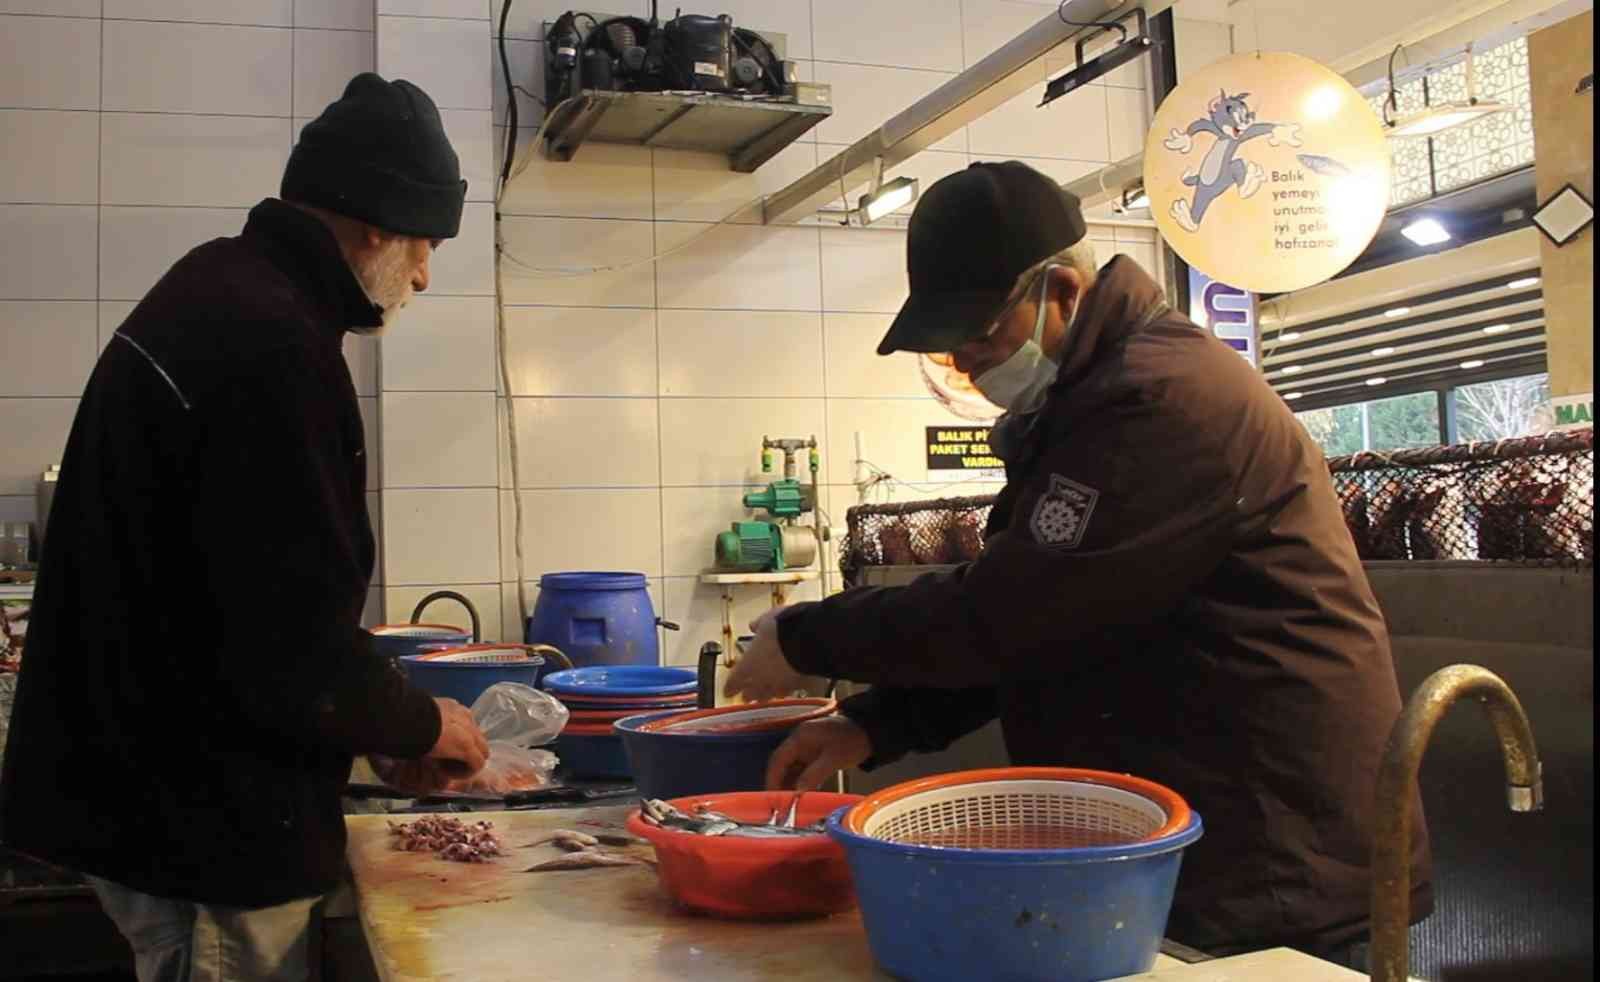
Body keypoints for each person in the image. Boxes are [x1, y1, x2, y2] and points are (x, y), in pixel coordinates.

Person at [723, 161, 1433, 965]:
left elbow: (1011, 613)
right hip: (1198, 841)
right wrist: (874, 724)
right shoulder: (1088, 403)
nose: (971, 368)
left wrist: (807, 637)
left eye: (983, 336)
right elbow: (1053, 627)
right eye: (954, 352)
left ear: (1061, 290)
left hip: (1271, 848)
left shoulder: (1161, 402)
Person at [0, 74, 489, 982]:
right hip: (201, 829)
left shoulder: (231, 288)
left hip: (166, 794)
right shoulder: (269, 344)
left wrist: (375, 728)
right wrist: (421, 724)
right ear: (377, 222)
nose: (424, 273)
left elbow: (238, 598)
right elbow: (285, 635)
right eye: (426, 244)